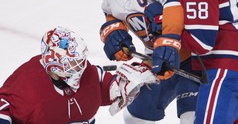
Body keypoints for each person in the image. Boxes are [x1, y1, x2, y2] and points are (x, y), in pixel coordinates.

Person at [100, 0, 199, 123]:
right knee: (135, 118)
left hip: (194, 59)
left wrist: (167, 33)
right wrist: (114, 33)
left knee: (193, 120)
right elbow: (111, 13)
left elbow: (176, 2)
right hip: (157, 61)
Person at [0, 26, 158, 123]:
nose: (80, 68)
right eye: (73, 64)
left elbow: (111, 86)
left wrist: (138, 76)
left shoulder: (88, 74)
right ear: (55, 64)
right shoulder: (26, 85)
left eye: (80, 61)